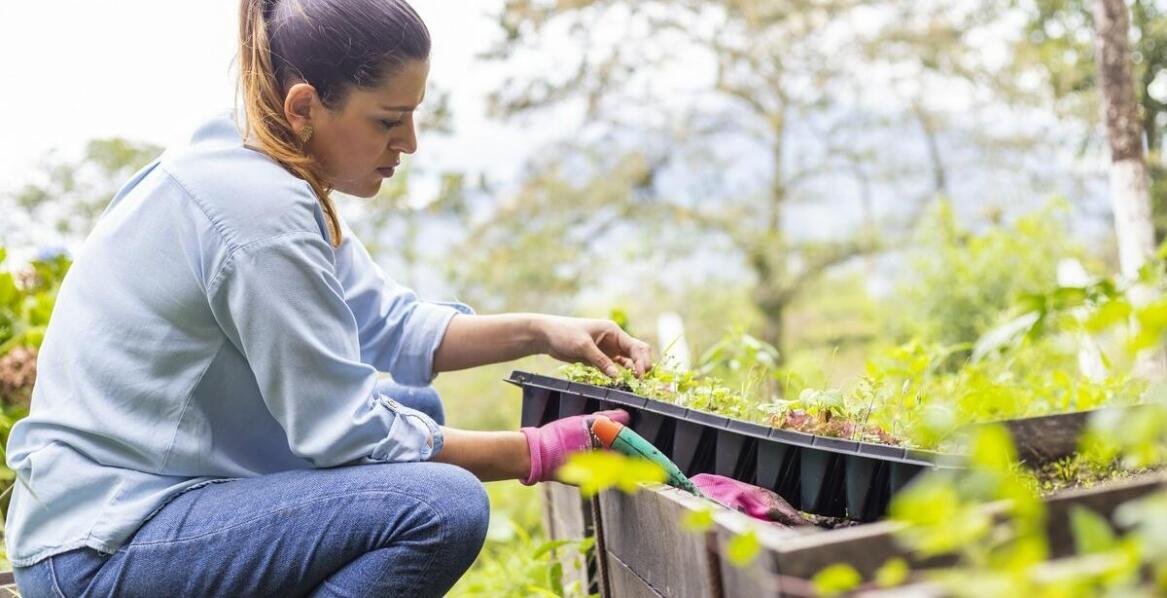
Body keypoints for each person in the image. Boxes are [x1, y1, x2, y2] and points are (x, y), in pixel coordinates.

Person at [5, 1, 777, 595]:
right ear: (306, 106)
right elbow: (341, 433)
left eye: (413, 117)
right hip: (101, 549)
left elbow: (389, 326)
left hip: (153, 506)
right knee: (441, 506)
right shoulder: (256, 211)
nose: (407, 144)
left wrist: (545, 330)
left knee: (421, 414)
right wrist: (547, 452)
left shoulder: (260, 164)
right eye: (387, 121)